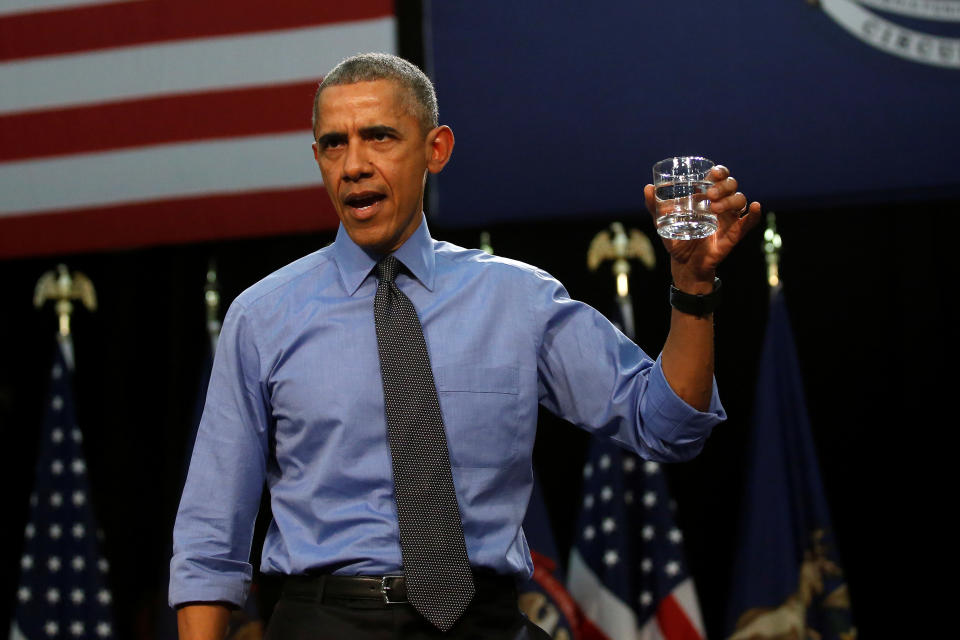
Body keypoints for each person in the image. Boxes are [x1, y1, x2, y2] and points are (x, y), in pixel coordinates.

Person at [170, 53, 761, 639]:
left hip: (483, 620)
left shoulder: (519, 298)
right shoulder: (261, 317)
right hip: (325, 621)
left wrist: (693, 287)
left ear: (436, 149)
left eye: (378, 137)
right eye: (333, 144)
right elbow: (210, 537)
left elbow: (666, 423)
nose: (353, 165)